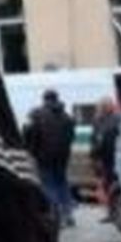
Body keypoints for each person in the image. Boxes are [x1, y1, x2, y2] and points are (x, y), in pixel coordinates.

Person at [24, 90, 77, 228]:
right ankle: (68, 214)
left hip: (43, 157)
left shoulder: (38, 115)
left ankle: (56, 214)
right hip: (62, 157)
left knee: (48, 185)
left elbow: (31, 135)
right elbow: (71, 138)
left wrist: (32, 151)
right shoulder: (67, 117)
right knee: (62, 183)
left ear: (44, 99)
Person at [91, 97, 121, 222]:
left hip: (110, 157)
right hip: (107, 158)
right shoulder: (101, 120)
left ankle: (114, 212)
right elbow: (95, 140)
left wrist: (94, 154)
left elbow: (100, 140)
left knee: (111, 186)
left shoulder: (112, 120)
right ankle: (112, 212)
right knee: (108, 186)